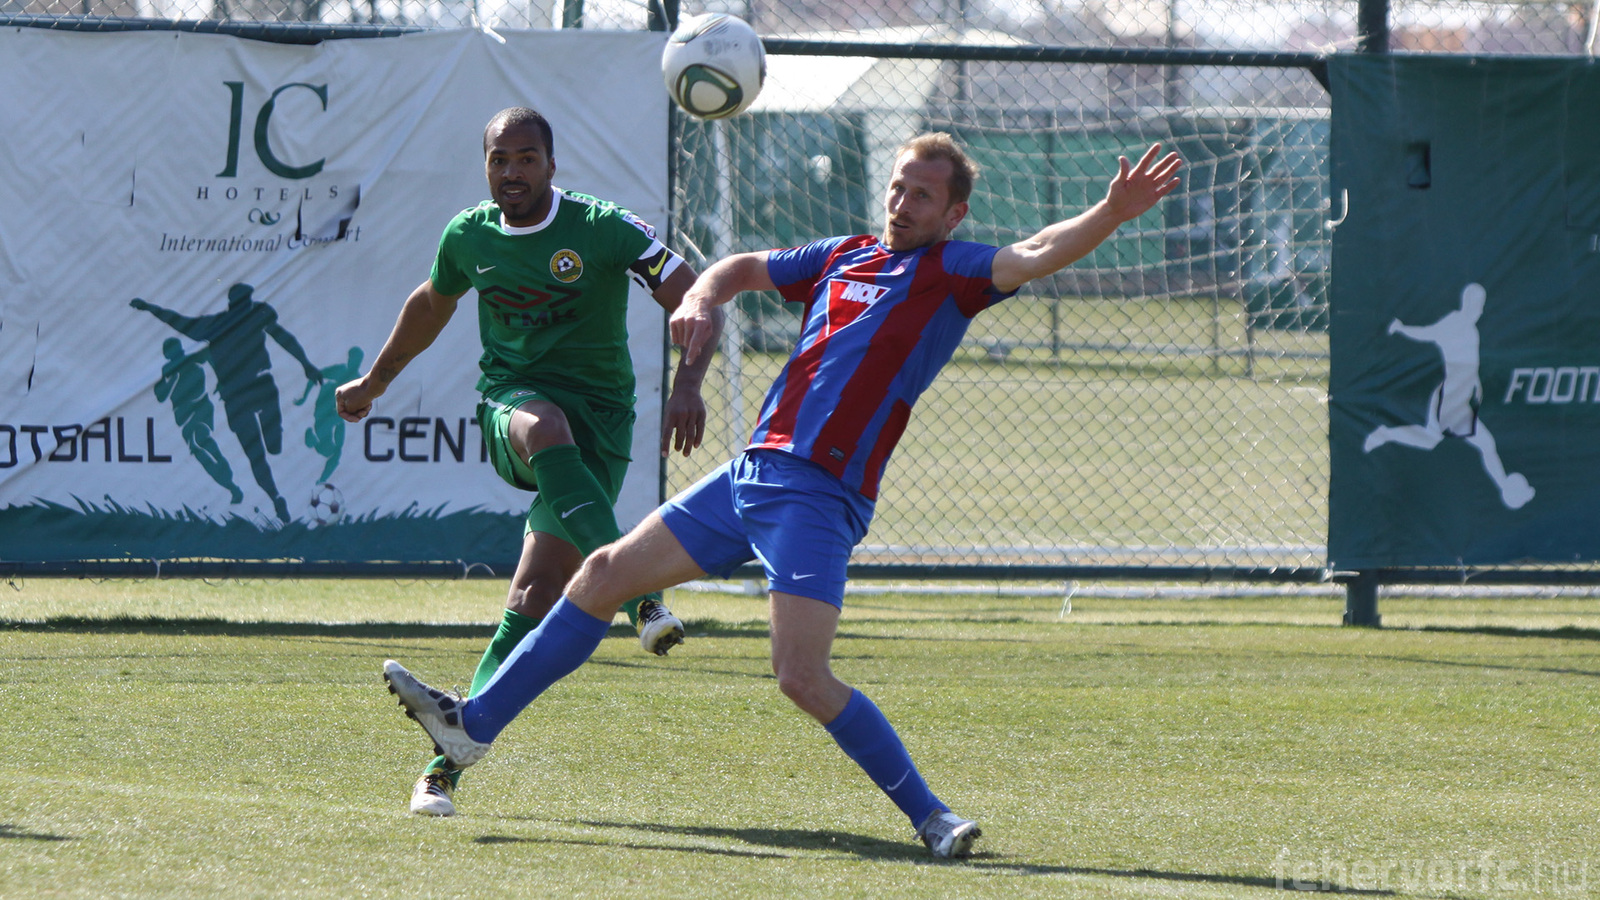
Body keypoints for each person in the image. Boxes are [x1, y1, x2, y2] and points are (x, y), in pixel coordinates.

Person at [382, 134, 1180, 857]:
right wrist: (701, 298)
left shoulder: (952, 273)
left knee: (800, 675)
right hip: (751, 476)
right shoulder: (844, 255)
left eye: (923, 195)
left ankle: (933, 817)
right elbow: (738, 269)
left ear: (953, 214)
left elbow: (1035, 253)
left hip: (820, 496)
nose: (903, 203)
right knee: (599, 577)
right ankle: (471, 727)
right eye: (898, 187)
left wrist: (1110, 212)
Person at [338, 107, 721, 818]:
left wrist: (688, 385)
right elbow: (431, 304)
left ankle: (444, 767)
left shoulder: (603, 227)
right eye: (499, 160)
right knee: (544, 425)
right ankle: (642, 598)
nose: (511, 172)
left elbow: (695, 296)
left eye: (526, 158)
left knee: (533, 598)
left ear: (551, 164)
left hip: (601, 426)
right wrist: (374, 383)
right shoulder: (469, 235)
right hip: (513, 407)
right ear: (484, 166)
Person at [132, 282, 321, 523]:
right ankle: (276, 498)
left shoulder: (256, 314)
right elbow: (179, 322)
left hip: (259, 388)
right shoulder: (220, 324)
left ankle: (274, 470)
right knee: (257, 456)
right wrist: (151, 308)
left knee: (271, 448)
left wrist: (306, 364)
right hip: (237, 395)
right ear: (235, 304)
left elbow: (283, 338)